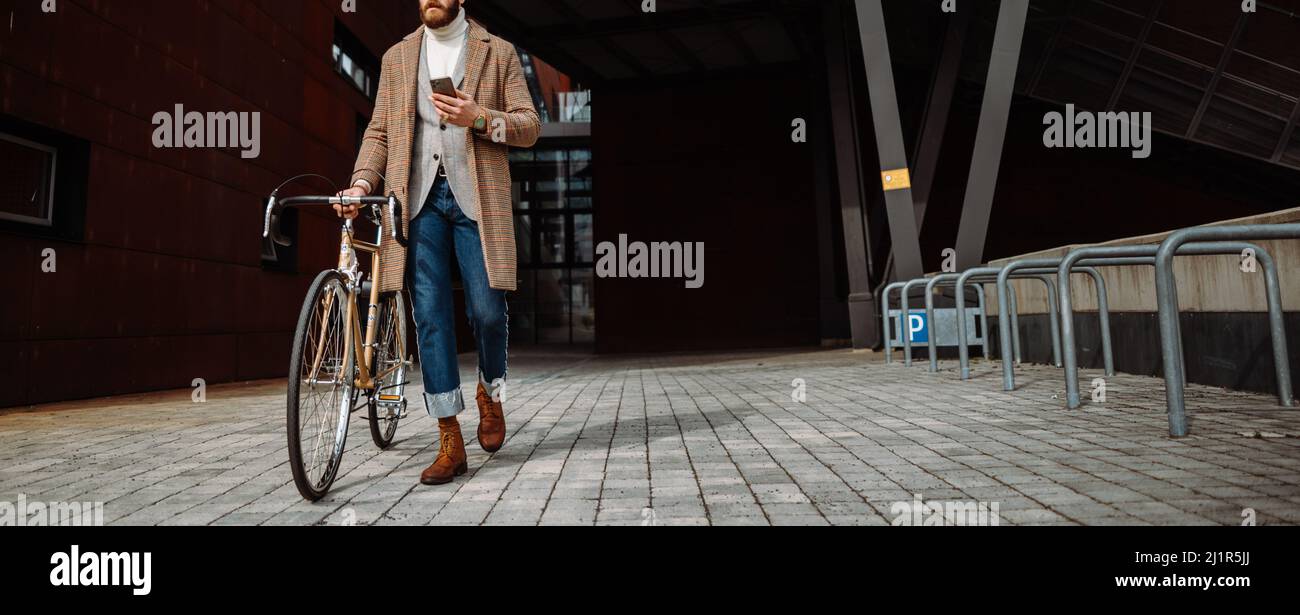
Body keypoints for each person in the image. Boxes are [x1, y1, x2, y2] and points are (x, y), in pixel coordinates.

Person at [334, 0, 540, 485]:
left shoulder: (499, 51)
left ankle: (490, 392)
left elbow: (529, 124)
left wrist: (480, 117)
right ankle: (450, 437)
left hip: (477, 200)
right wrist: (362, 183)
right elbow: (379, 132)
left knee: (488, 312)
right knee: (429, 317)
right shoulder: (397, 57)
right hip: (417, 201)